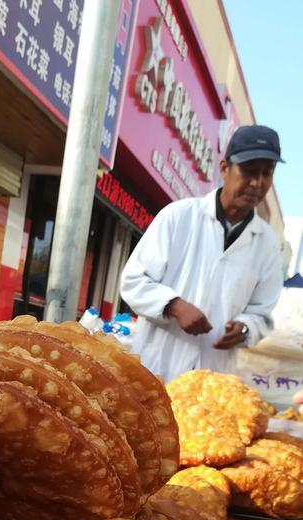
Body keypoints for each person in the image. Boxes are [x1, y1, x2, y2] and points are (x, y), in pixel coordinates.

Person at [120, 124, 285, 382]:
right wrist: (174, 305)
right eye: (249, 171)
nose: (257, 183)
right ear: (224, 168)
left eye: (267, 173)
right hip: (157, 366)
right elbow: (133, 282)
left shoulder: (266, 244)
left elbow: (261, 313)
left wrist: (244, 328)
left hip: (213, 377)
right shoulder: (179, 216)